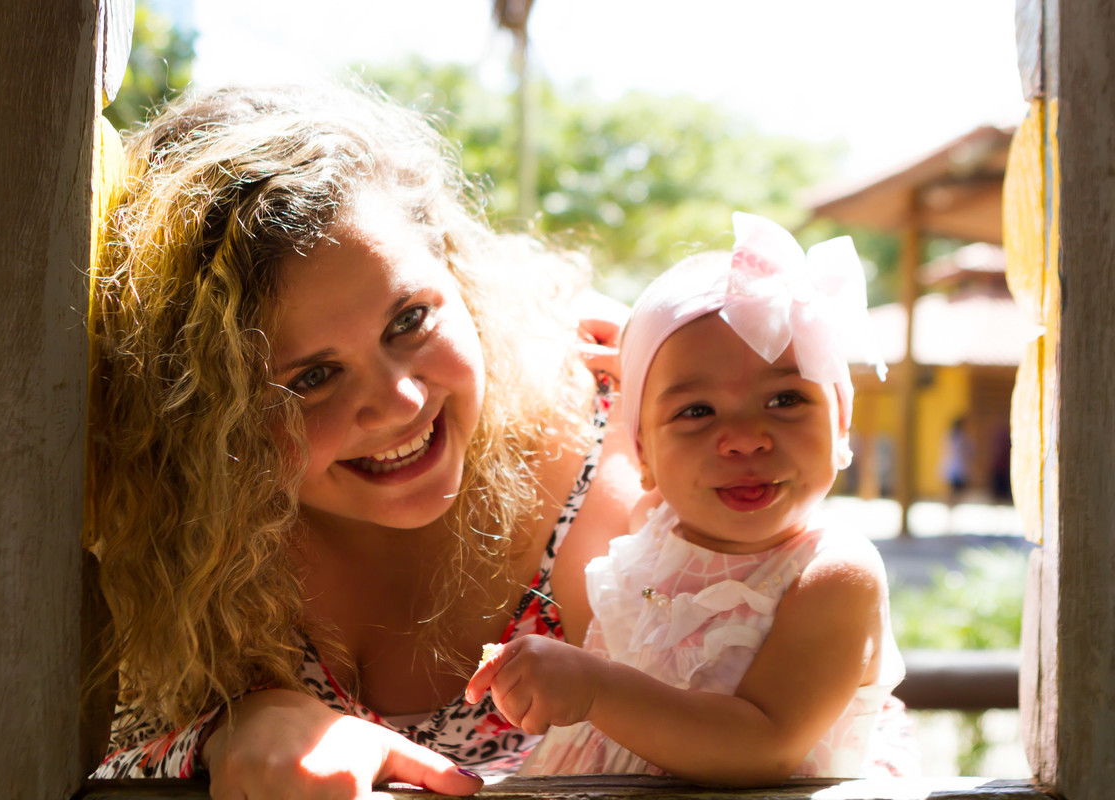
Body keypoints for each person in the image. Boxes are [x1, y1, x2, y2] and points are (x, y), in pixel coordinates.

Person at [85, 81, 641, 796]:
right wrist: (229, 731)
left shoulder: (634, 438)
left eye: (408, 320)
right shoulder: (175, 541)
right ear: (206, 416)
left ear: (457, 273)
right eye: (312, 377)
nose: (399, 403)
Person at [467, 213, 915, 784]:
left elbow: (765, 742)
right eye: (695, 412)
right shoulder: (654, 522)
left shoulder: (832, 575)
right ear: (642, 454)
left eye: (785, 399)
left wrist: (593, 687)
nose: (747, 438)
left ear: (843, 422)